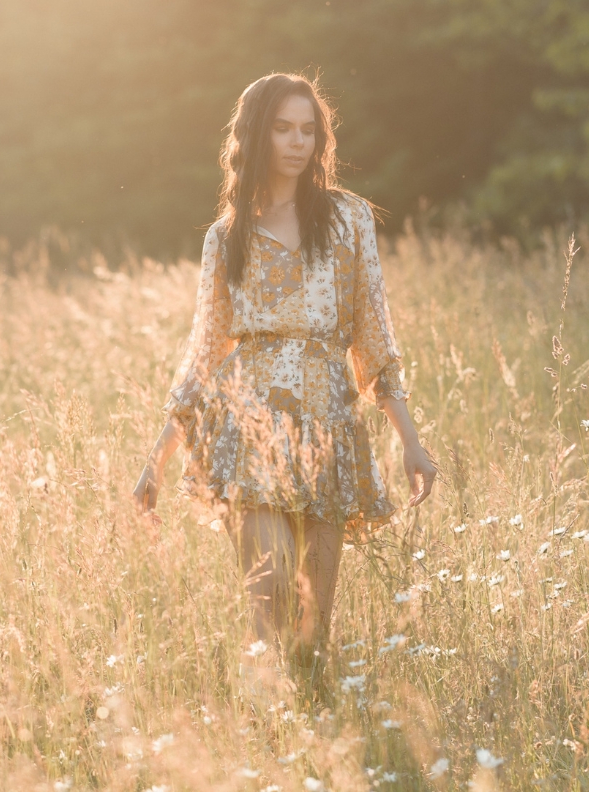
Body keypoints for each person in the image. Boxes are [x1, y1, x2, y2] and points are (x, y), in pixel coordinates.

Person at [132, 72, 436, 696]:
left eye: (308, 130)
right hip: (251, 432)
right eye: (282, 128)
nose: (297, 142)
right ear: (255, 134)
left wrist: (410, 439)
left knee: (311, 622)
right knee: (267, 592)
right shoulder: (227, 237)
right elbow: (204, 355)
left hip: (329, 430)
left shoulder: (349, 220)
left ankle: (313, 740)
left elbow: (373, 335)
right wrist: (156, 460)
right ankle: (264, 732)